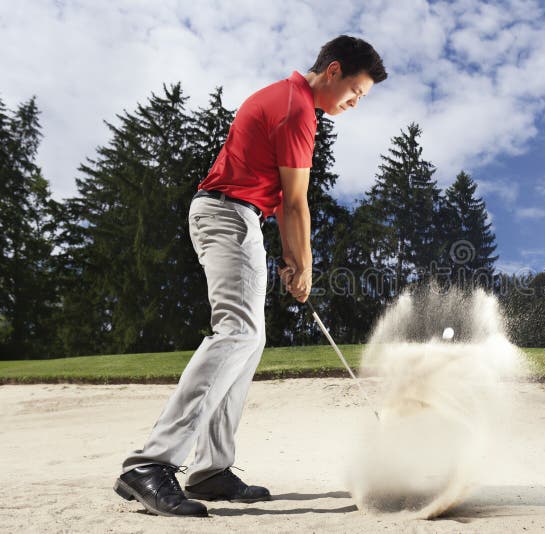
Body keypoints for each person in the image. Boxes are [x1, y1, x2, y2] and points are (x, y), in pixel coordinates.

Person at [113, 35, 387, 518]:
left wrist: (289, 260)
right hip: (227, 214)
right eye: (356, 92)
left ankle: (210, 469)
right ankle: (151, 464)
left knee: (249, 338)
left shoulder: (287, 99)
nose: (354, 103)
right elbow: (298, 203)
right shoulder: (298, 109)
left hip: (239, 215)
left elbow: (282, 200)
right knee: (237, 332)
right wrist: (303, 268)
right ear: (334, 70)